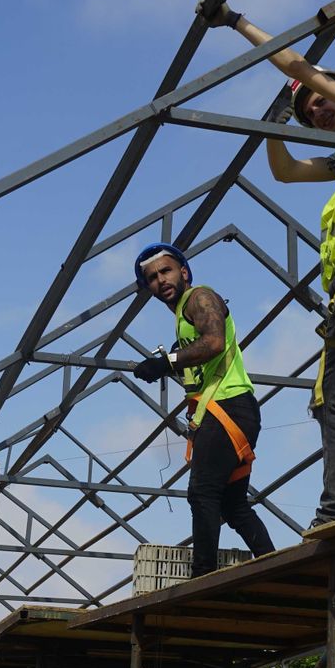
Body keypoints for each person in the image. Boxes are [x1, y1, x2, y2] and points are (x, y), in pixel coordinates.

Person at [202, 0, 335, 527]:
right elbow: (285, 172)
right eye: (308, 113)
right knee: (327, 402)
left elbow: (297, 65)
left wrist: (235, 22)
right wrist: (275, 126)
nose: (317, 112)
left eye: (320, 101)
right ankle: (332, 509)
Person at [131, 242, 275, 577]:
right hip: (229, 410)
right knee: (233, 504)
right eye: (152, 278)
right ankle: (276, 568)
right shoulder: (183, 316)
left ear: (184, 272)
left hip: (228, 407)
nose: (160, 280)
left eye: (166, 271)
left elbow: (214, 342)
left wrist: (165, 363)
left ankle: (203, 575)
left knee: (202, 493)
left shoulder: (200, 298)